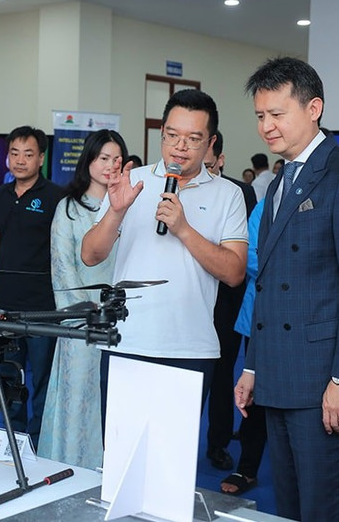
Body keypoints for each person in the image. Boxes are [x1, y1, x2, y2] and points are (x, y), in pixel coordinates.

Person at [234, 57, 339, 522]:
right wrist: (253, 366)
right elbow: (267, 286)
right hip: (279, 375)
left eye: (276, 114)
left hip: (325, 381)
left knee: (325, 507)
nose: (266, 126)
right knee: (289, 506)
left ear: (313, 108)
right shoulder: (279, 181)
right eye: (260, 115)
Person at [81, 89, 247, 428]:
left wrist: (184, 229)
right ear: (162, 133)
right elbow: (90, 255)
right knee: (120, 451)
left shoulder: (229, 194)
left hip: (190, 350)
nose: (180, 147)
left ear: (211, 142)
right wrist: (116, 212)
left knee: (173, 455)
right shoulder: (132, 182)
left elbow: (234, 272)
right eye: (172, 135)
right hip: (126, 342)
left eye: (193, 139)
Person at [37, 129, 128, 469]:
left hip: (122, 322)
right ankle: (72, 465)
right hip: (80, 323)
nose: (110, 165)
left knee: (116, 398)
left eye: (117, 159)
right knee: (77, 397)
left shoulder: (126, 206)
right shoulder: (69, 208)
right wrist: (84, 314)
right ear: (88, 160)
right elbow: (61, 267)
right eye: (103, 158)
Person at [0, 126, 62, 447]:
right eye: (14, 153)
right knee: (9, 376)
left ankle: (40, 440)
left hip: (43, 305)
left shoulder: (55, 197)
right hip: (7, 304)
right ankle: (13, 438)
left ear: (41, 158)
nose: (20, 160)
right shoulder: (2, 194)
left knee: (42, 378)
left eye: (28, 154)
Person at [203, 130, 256, 471]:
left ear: (220, 160)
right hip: (191, 296)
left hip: (227, 297)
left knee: (223, 373)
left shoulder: (240, 192)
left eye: (208, 164)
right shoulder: (179, 189)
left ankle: (218, 443)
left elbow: (244, 248)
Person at [221, 199, 267, 495]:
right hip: (261, 315)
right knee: (253, 395)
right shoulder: (268, 202)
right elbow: (248, 256)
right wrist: (295, 272)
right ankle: (247, 468)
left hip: (309, 318)